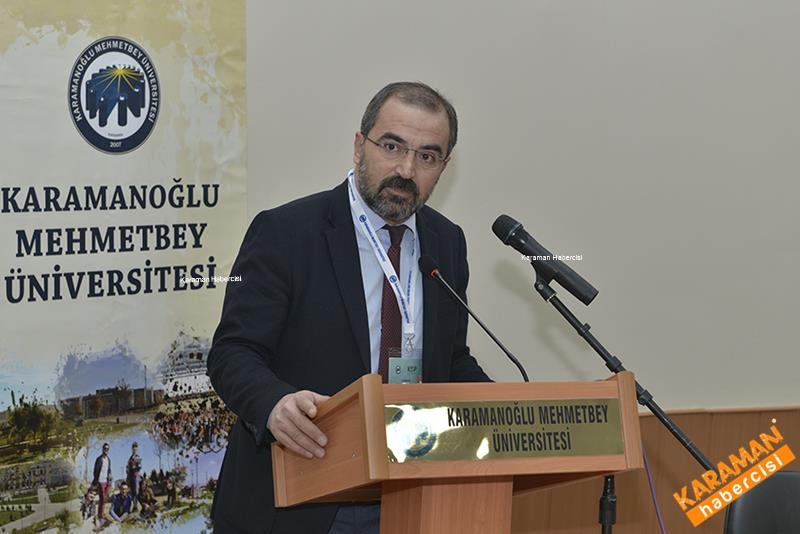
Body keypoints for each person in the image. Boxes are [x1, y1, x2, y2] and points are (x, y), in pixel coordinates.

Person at [207, 81, 491, 534]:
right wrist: (274, 403)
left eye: (427, 156)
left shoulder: (446, 241)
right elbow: (233, 352)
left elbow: (450, 358)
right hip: (303, 494)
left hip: (410, 491)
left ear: (444, 166)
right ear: (360, 146)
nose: (406, 169)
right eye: (392, 146)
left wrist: (503, 412)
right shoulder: (286, 232)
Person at [90, 442, 112, 518]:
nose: (106, 450)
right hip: (100, 481)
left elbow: (109, 470)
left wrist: (110, 476)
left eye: (107, 449)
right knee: (102, 498)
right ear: (102, 449)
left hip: (107, 482)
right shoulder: (99, 459)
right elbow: (95, 471)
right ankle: (100, 514)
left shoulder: (108, 460)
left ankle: (102, 513)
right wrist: (96, 481)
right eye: (105, 448)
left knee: (105, 498)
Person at [126, 441, 142, 511]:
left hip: (136, 476)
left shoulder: (137, 457)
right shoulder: (130, 458)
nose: (134, 449)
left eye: (135, 448)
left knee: (136, 491)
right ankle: (134, 505)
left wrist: (135, 467)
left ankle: (136, 506)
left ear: (137, 449)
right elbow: (127, 468)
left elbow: (140, 466)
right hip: (130, 476)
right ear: (132, 449)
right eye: (133, 448)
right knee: (132, 492)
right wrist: (127, 475)